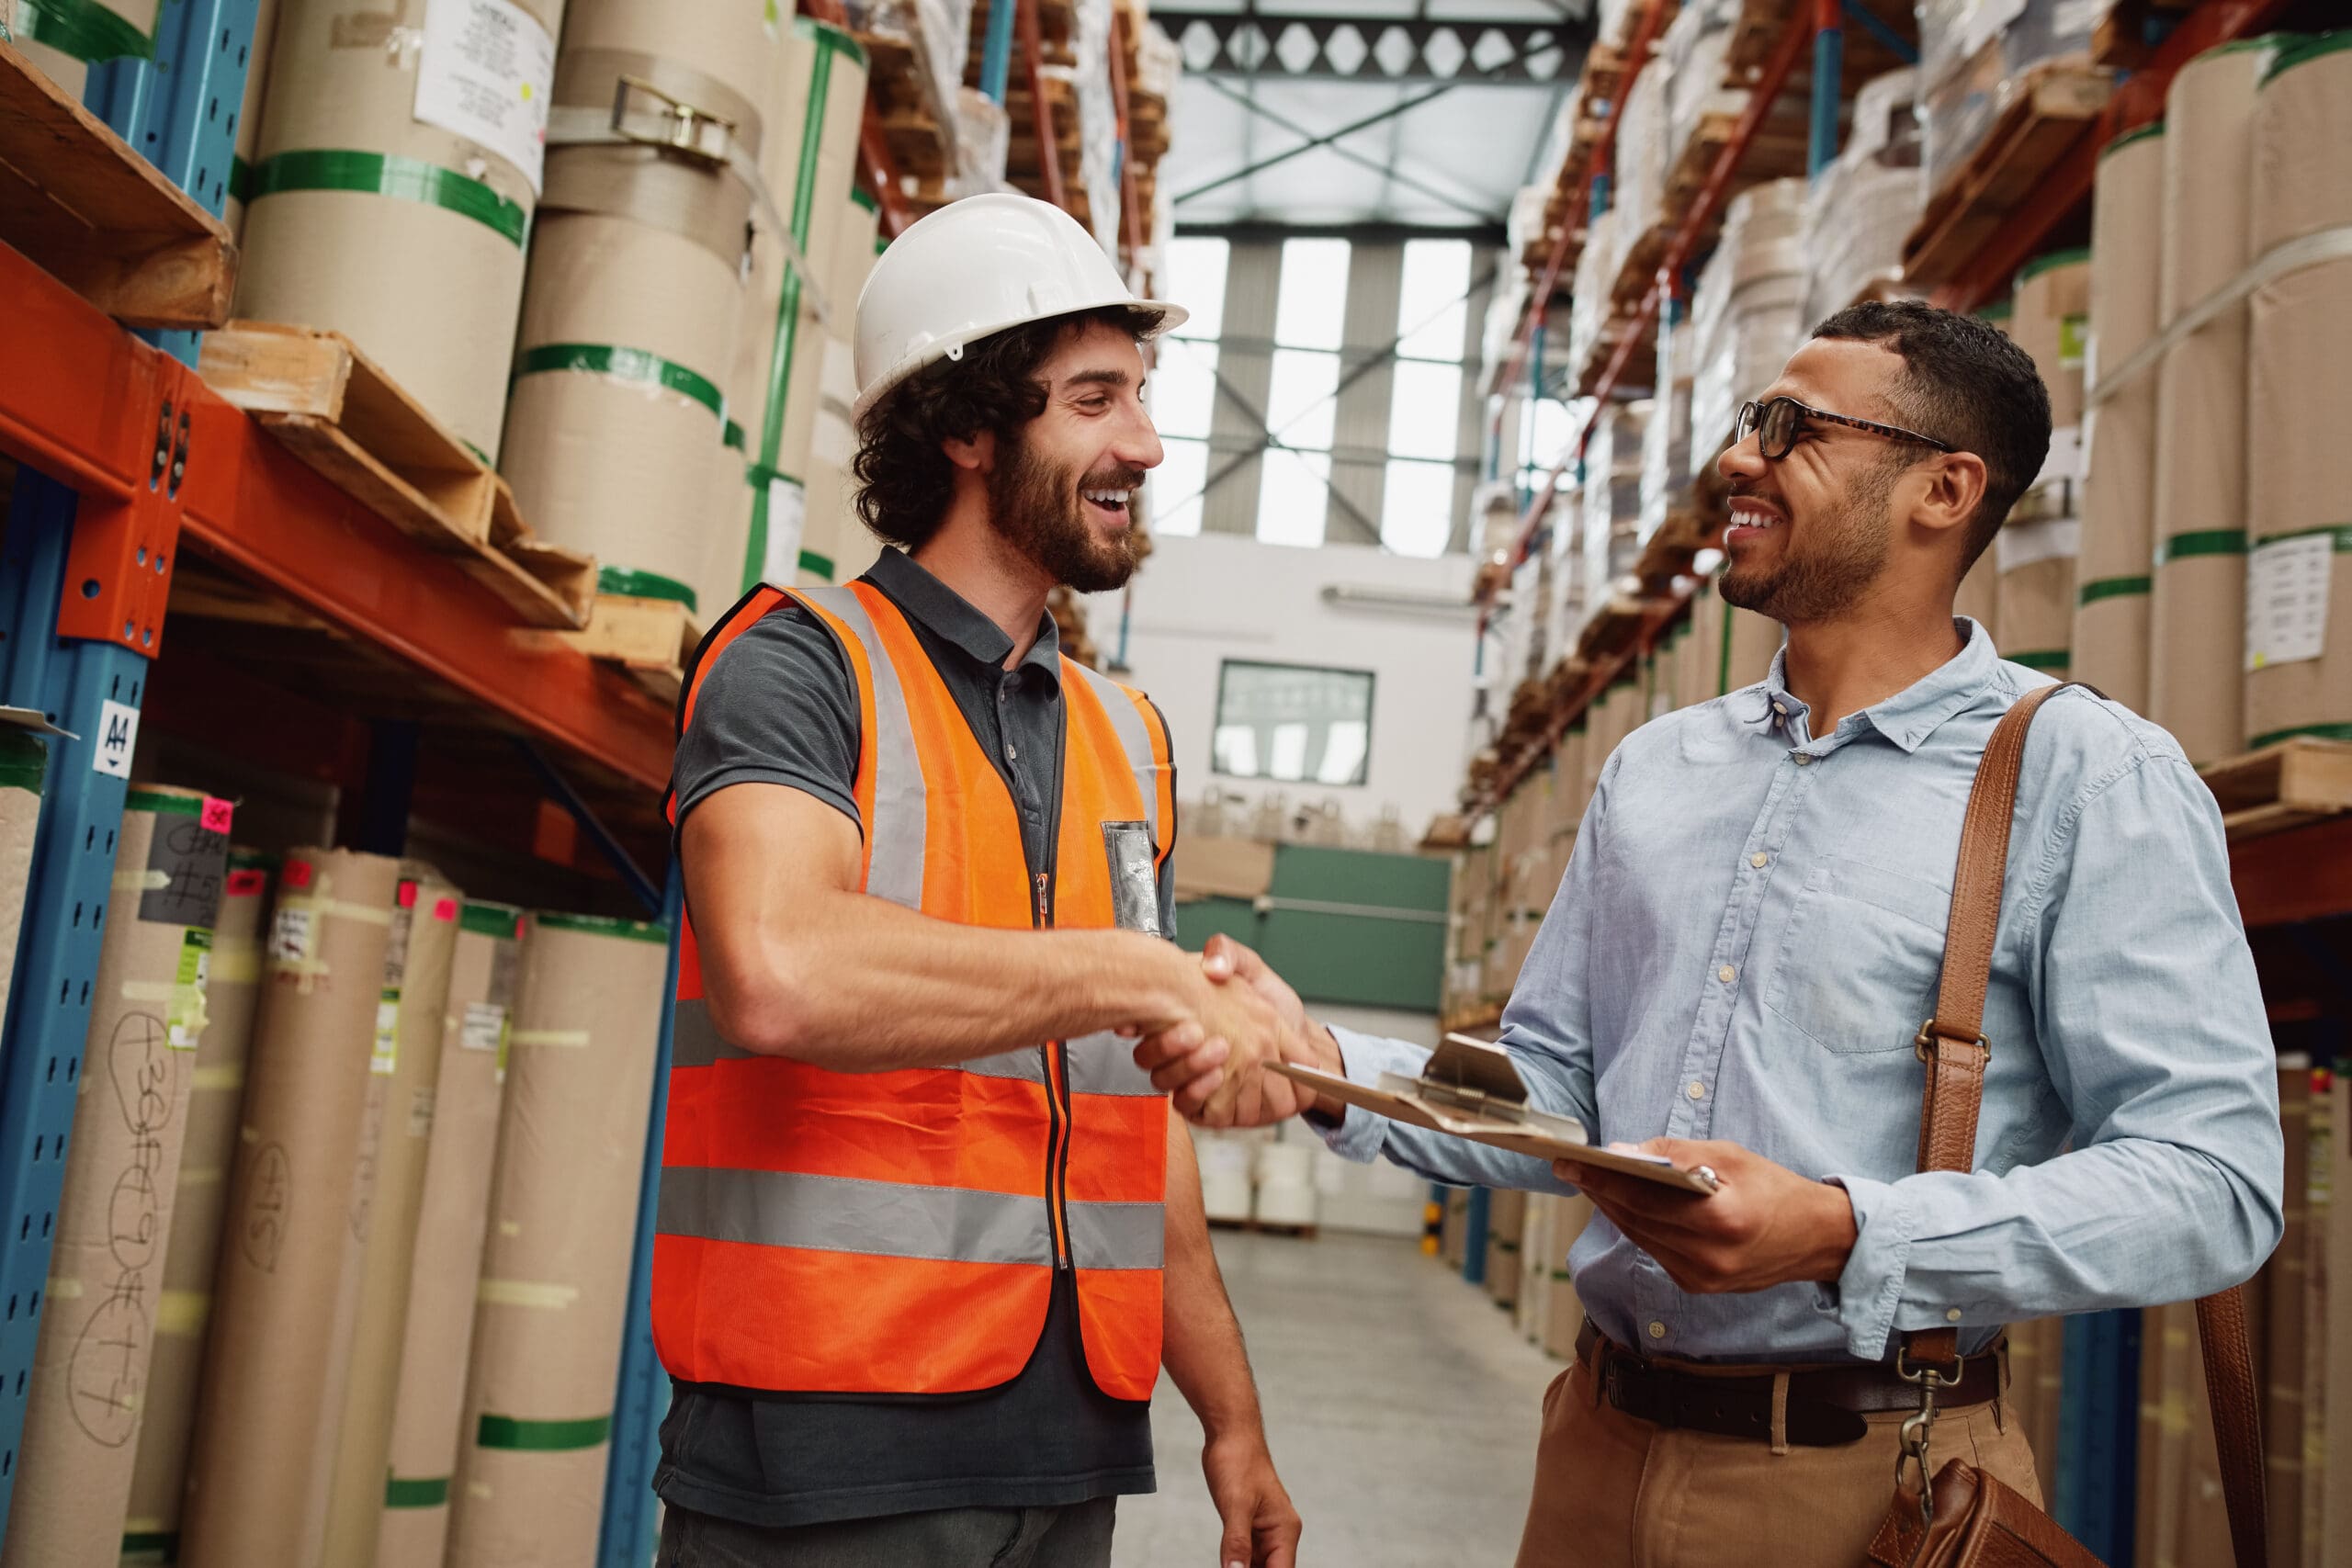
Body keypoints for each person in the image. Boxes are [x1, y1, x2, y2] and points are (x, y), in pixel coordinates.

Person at [1139, 300, 2285, 1568]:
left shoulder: (2087, 779)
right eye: (1750, 420)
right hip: (1595, 1450)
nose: (1739, 457)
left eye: (1792, 428)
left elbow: (2214, 1183)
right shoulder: (1661, 768)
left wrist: (1851, 1232)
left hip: (1873, 1491)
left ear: (1945, 490)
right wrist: (1320, 1062)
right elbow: (1565, 1100)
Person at [651, 193, 1304, 1568]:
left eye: (1139, 396)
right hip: (827, 1449)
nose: (1143, 441)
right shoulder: (799, 665)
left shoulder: (1129, 737)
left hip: (1069, 1453)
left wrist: (1231, 1420)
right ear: (965, 429)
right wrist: (1135, 969)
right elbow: (777, 971)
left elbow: (1136, 1122)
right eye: (1092, 399)